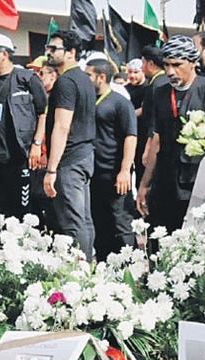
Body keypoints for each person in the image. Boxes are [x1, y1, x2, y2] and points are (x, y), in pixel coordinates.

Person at [137, 36, 205, 234]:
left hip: (198, 185)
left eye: (177, 65)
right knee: (159, 243)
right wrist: (145, 184)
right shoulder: (160, 92)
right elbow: (157, 139)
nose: (170, 71)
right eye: (167, 65)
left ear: (193, 63)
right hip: (164, 183)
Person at [0, 33, 47, 221]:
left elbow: (43, 113)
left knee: (24, 207)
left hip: (19, 154)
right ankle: (3, 245)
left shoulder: (26, 78)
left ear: (5, 54)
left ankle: (27, 246)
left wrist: (37, 144)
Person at [42, 30, 97, 261]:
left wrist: (51, 168)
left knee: (73, 222)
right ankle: (88, 266)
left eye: (54, 48)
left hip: (71, 159)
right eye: (49, 48)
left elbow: (62, 126)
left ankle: (80, 274)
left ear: (71, 53)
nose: (49, 52)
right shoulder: (83, 78)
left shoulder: (66, 81)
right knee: (83, 219)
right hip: (83, 155)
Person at [85, 60, 137, 261]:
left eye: (89, 75)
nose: (86, 78)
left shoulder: (120, 102)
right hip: (93, 171)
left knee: (120, 219)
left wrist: (125, 169)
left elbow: (130, 136)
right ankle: (105, 263)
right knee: (99, 219)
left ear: (101, 77)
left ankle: (129, 266)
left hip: (114, 171)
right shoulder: (87, 100)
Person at [137, 46, 169, 192]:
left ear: (151, 63)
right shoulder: (157, 82)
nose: (142, 67)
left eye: (143, 63)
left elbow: (155, 118)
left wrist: (148, 147)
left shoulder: (159, 84)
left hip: (151, 140)